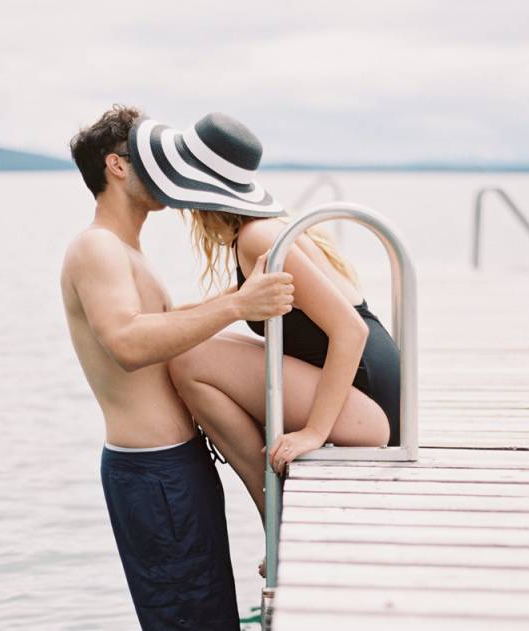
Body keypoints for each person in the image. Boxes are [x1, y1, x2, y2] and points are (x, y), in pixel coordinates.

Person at [60, 105, 294, 631]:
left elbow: (160, 323)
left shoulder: (124, 249)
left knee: (209, 611)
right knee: (190, 620)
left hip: (173, 469)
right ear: (118, 167)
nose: (172, 171)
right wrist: (235, 308)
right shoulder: (95, 247)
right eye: (153, 159)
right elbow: (128, 342)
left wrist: (240, 294)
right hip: (152, 472)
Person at [125, 111, 400, 528]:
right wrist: (162, 321)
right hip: (365, 390)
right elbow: (236, 299)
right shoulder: (263, 231)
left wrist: (313, 434)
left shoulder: (258, 238)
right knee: (191, 348)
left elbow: (351, 330)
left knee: (187, 362)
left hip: (369, 407)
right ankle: (272, 505)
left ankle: (270, 508)